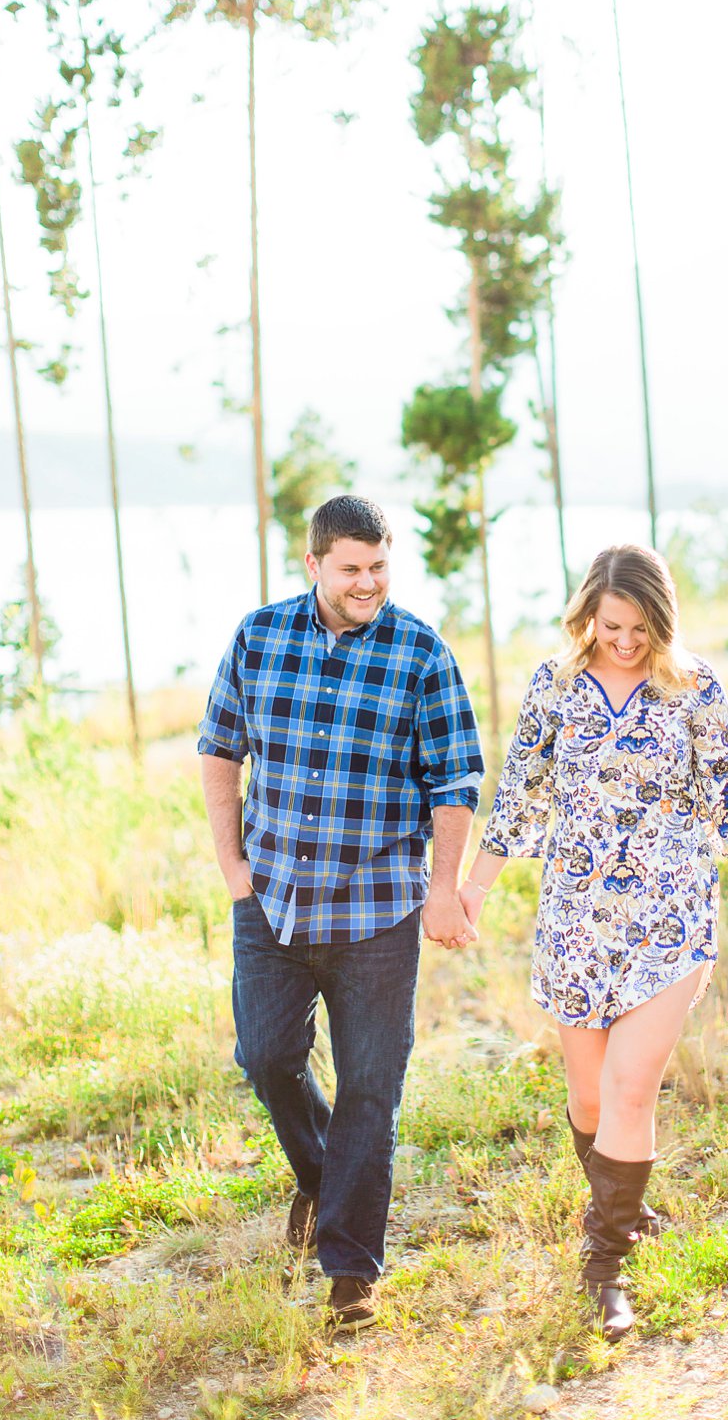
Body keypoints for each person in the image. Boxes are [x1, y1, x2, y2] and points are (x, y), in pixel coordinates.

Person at [461, 543, 728, 1341]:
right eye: (612, 625)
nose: (626, 640)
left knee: (632, 1088)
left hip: (670, 918)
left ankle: (603, 1263)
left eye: (641, 627)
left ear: (662, 621)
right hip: (576, 919)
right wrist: (469, 890)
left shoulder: (696, 688)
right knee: (590, 1099)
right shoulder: (554, 687)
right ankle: (627, 1213)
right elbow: (517, 801)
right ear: (587, 616)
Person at [198, 496, 484, 1331]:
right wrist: (232, 866)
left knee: (371, 1087)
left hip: (378, 914)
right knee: (266, 1055)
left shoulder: (421, 651)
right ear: (314, 564)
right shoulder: (259, 637)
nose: (368, 582)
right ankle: (323, 1177)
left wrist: (443, 886)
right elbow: (220, 747)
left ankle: (352, 1270)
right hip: (273, 903)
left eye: (380, 566)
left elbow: (456, 781)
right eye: (351, 568)